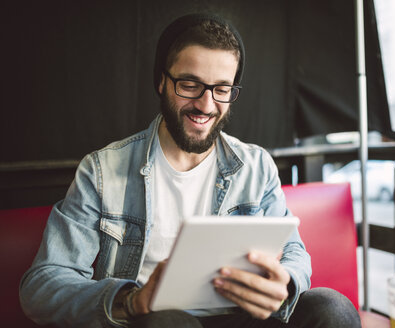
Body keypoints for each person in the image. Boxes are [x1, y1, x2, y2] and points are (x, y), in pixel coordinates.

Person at [19, 13, 361, 328]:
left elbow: (294, 252)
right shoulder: (103, 171)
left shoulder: (255, 165)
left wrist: (284, 281)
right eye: (190, 84)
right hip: (153, 320)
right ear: (161, 82)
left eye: (221, 89)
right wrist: (130, 299)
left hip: (240, 318)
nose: (206, 104)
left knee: (334, 309)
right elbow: (42, 284)